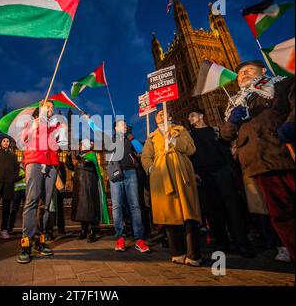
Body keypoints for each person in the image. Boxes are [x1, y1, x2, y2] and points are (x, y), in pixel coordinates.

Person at [221, 60, 295, 260]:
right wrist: (231, 122)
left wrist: (290, 125)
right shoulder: (236, 102)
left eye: (248, 70)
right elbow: (225, 136)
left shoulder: (281, 84)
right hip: (260, 164)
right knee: (282, 216)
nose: (242, 75)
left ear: (263, 70)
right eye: (239, 74)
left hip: (286, 154)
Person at [188, 108, 255, 258]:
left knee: (233, 208)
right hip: (204, 175)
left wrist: (230, 165)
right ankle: (222, 242)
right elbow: (189, 155)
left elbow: (226, 147)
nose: (189, 118)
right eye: (189, 116)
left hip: (222, 172)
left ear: (201, 116)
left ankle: (242, 243)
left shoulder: (216, 131)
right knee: (212, 210)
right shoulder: (190, 135)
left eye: (192, 115)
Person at [141, 109, 202, 266]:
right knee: (169, 213)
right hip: (161, 175)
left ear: (170, 115)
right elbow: (146, 157)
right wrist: (151, 169)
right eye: (158, 114)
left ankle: (193, 254)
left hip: (180, 171)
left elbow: (191, 149)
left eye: (164, 112)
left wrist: (174, 141)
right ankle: (177, 252)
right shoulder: (152, 137)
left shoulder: (181, 130)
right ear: (155, 119)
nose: (161, 114)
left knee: (188, 212)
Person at [16, 100, 68, 264]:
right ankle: (26, 242)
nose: (51, 109)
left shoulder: (57, 126)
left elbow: (62, 147)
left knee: (45, 204)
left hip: (52, 164)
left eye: (52, 107)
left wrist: (63, 133)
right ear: (41, 108)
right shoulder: (32, 122)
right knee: (32, 200)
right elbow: (22, 141)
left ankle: (41, 239)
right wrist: (33, 128)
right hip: (34, 161)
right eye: (48, 106)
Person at [107, 120, 150, 253]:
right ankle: (120, 237)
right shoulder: (111, 139)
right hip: (116, 174)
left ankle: (139, 238)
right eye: (121, 124)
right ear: (115, 127)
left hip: (130, 172)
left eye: (125, 125)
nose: (124, 126)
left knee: (135, 205)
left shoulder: (129, 139)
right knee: (117, 206)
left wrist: (132, 138)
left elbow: (140, 149)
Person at [66, 139, 101, 243]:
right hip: (80, 186)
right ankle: (83, 230)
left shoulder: (91, 155)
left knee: (90, 208)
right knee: (82, 208)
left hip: (89, 185)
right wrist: (69, 155)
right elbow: (71, 166)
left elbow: (91, 167)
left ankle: (93, 231)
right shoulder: (80, 156)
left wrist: (79, 161)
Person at [7, 163, 26, 234]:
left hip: (26, 191)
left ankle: (25, 227)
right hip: (17, 191)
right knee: (14, 209)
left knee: (26, 210)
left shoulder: (28, 168)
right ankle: (10, 227)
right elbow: (14, 179)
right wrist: (23, 176)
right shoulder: (17, 168)